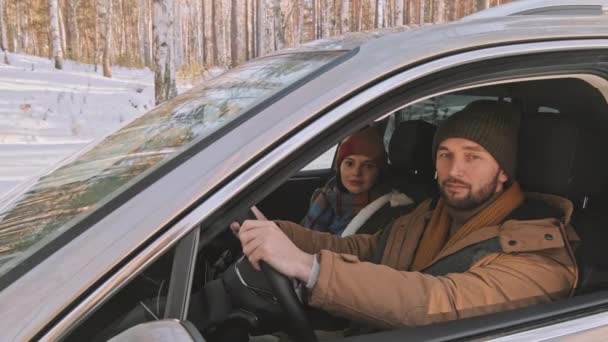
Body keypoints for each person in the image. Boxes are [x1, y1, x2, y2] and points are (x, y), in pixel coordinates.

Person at [231, 100, 578, 329]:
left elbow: (438, 302)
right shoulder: (432, 213)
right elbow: (366, 250)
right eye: (445, 154)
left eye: (473, 156)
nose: (454, 169)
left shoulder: (540, 253)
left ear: (503, 171)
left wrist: (309, 269)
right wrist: (278, 233)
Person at [301, 126, 392, 236]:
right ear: (339, 167)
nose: (356, 172)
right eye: (349, 163)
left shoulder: (384, 209)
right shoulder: (326, 195)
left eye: (368, 166)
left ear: (379, 171)